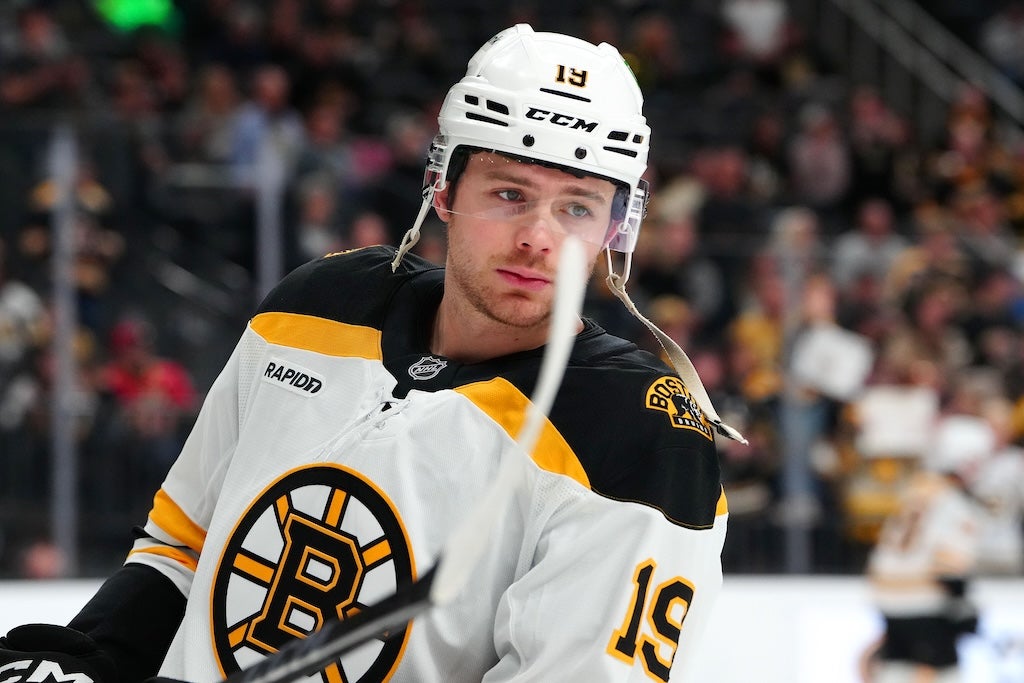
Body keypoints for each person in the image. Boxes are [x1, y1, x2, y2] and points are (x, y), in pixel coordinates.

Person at [0, 24, 741, 682]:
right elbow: (182, 547)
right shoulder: (318, 307)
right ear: (443, 189)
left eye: (577, 206)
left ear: (619, 226)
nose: (539, 238)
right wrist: (85, 660)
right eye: (510, 194)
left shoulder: (641, 437)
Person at [860, 414, 990, 683]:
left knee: (897, 663)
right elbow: (951, 568)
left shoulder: (915, 491)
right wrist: (962, 603)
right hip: (923, 600)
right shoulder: (954, 504)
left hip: (885, 596)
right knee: (946, 670)